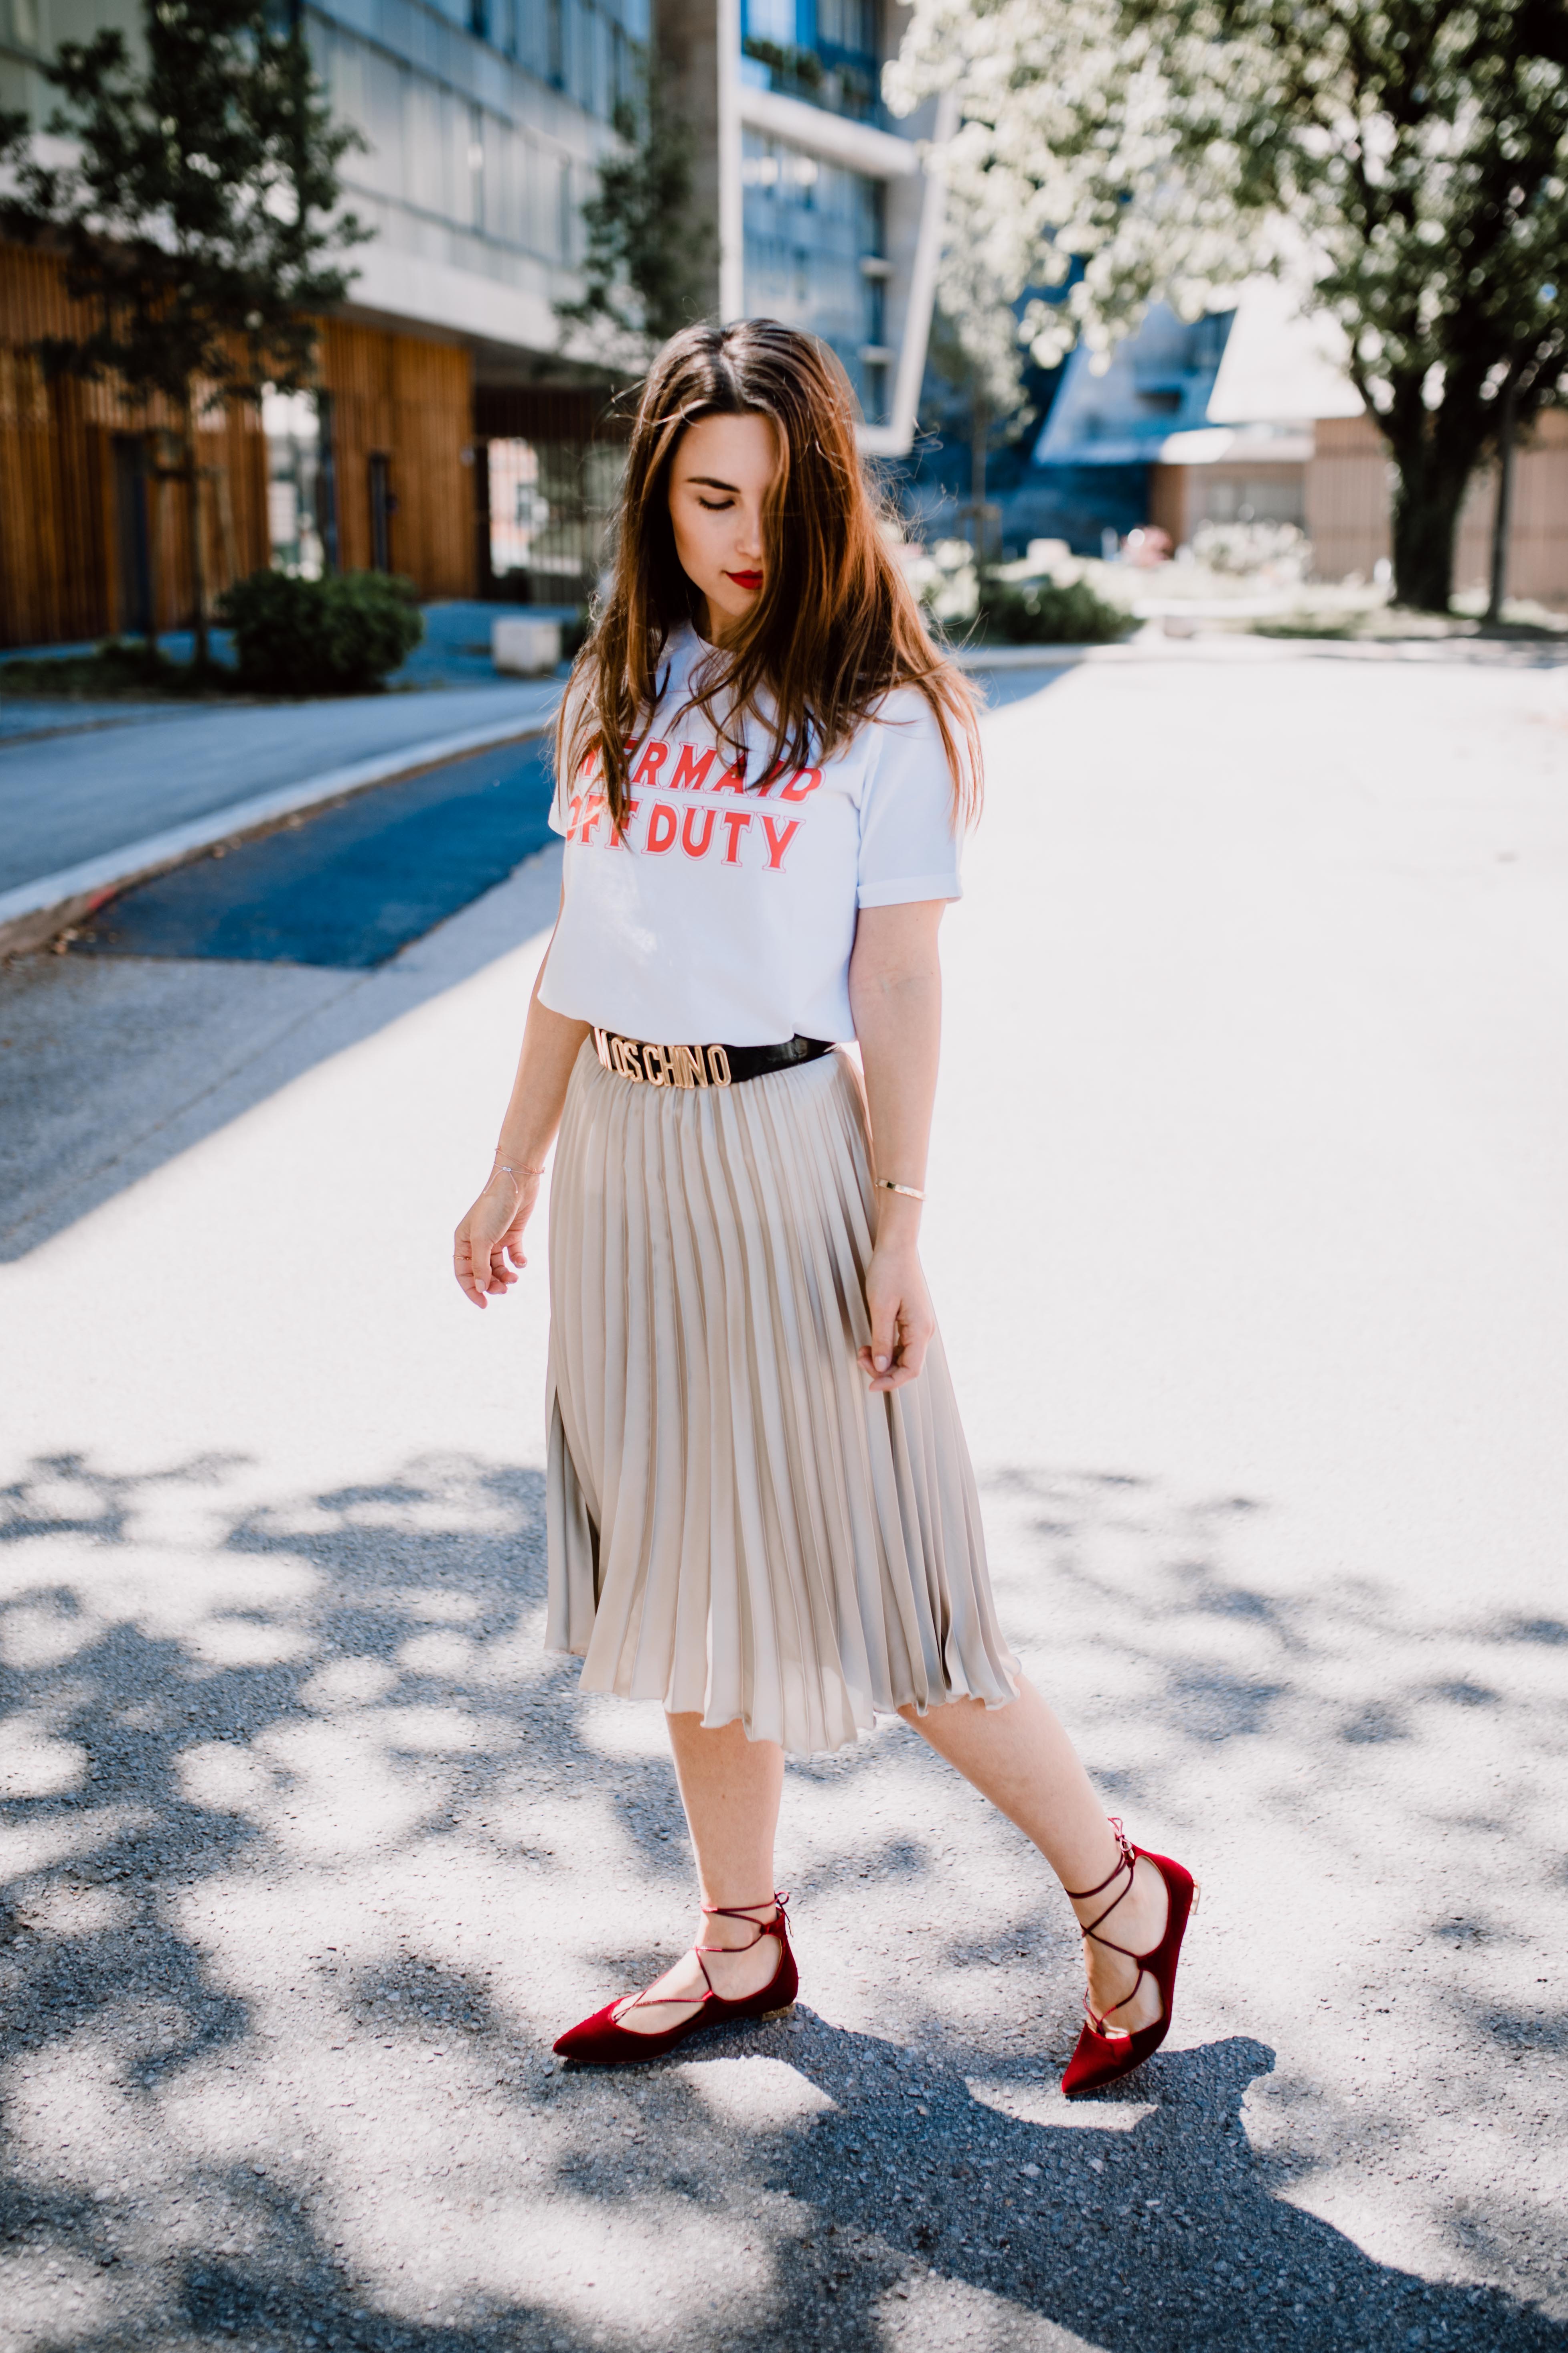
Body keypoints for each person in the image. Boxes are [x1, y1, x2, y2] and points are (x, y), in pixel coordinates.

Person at [452, 320, 1195, 2097]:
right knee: (682, 1582)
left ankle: (1121, 1891)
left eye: (782, 500)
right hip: (629, 1166)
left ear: (838, 497)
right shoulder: (621, 688)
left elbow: (904, 983)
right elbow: (584, 952)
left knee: (891, 1587)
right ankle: (736, 1942)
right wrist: (514, 1161)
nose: (745, 537)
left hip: (787, 1152)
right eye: (711, 496)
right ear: (658, 497)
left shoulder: (885, 714)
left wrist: (898, 1221)